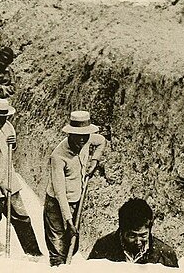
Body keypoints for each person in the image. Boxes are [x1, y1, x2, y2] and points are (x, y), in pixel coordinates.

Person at [0, 98, 43, 258]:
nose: (0, 123)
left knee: (22, 219)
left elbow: (11, 148)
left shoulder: (8, 128)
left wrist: (14, 143)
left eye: (3, 119)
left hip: (11, 185)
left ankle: (34, 254)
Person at [43, 111, 106, 266]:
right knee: (58, 249)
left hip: (75, 201)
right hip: (56, 205)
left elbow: (102, 141)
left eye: (86, 136)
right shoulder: (58, 157)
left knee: (73, 245)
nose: (83, 140)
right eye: (79, 136)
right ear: (70, 134)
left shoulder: (86, 140)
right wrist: (69, 222)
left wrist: (94, 161)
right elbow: (60, 193)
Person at [88, 198, 179, 268]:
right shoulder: (103, 248)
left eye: (143, 235)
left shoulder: (165, 255)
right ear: (122, 230)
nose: (138, 241)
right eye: (132, 235)